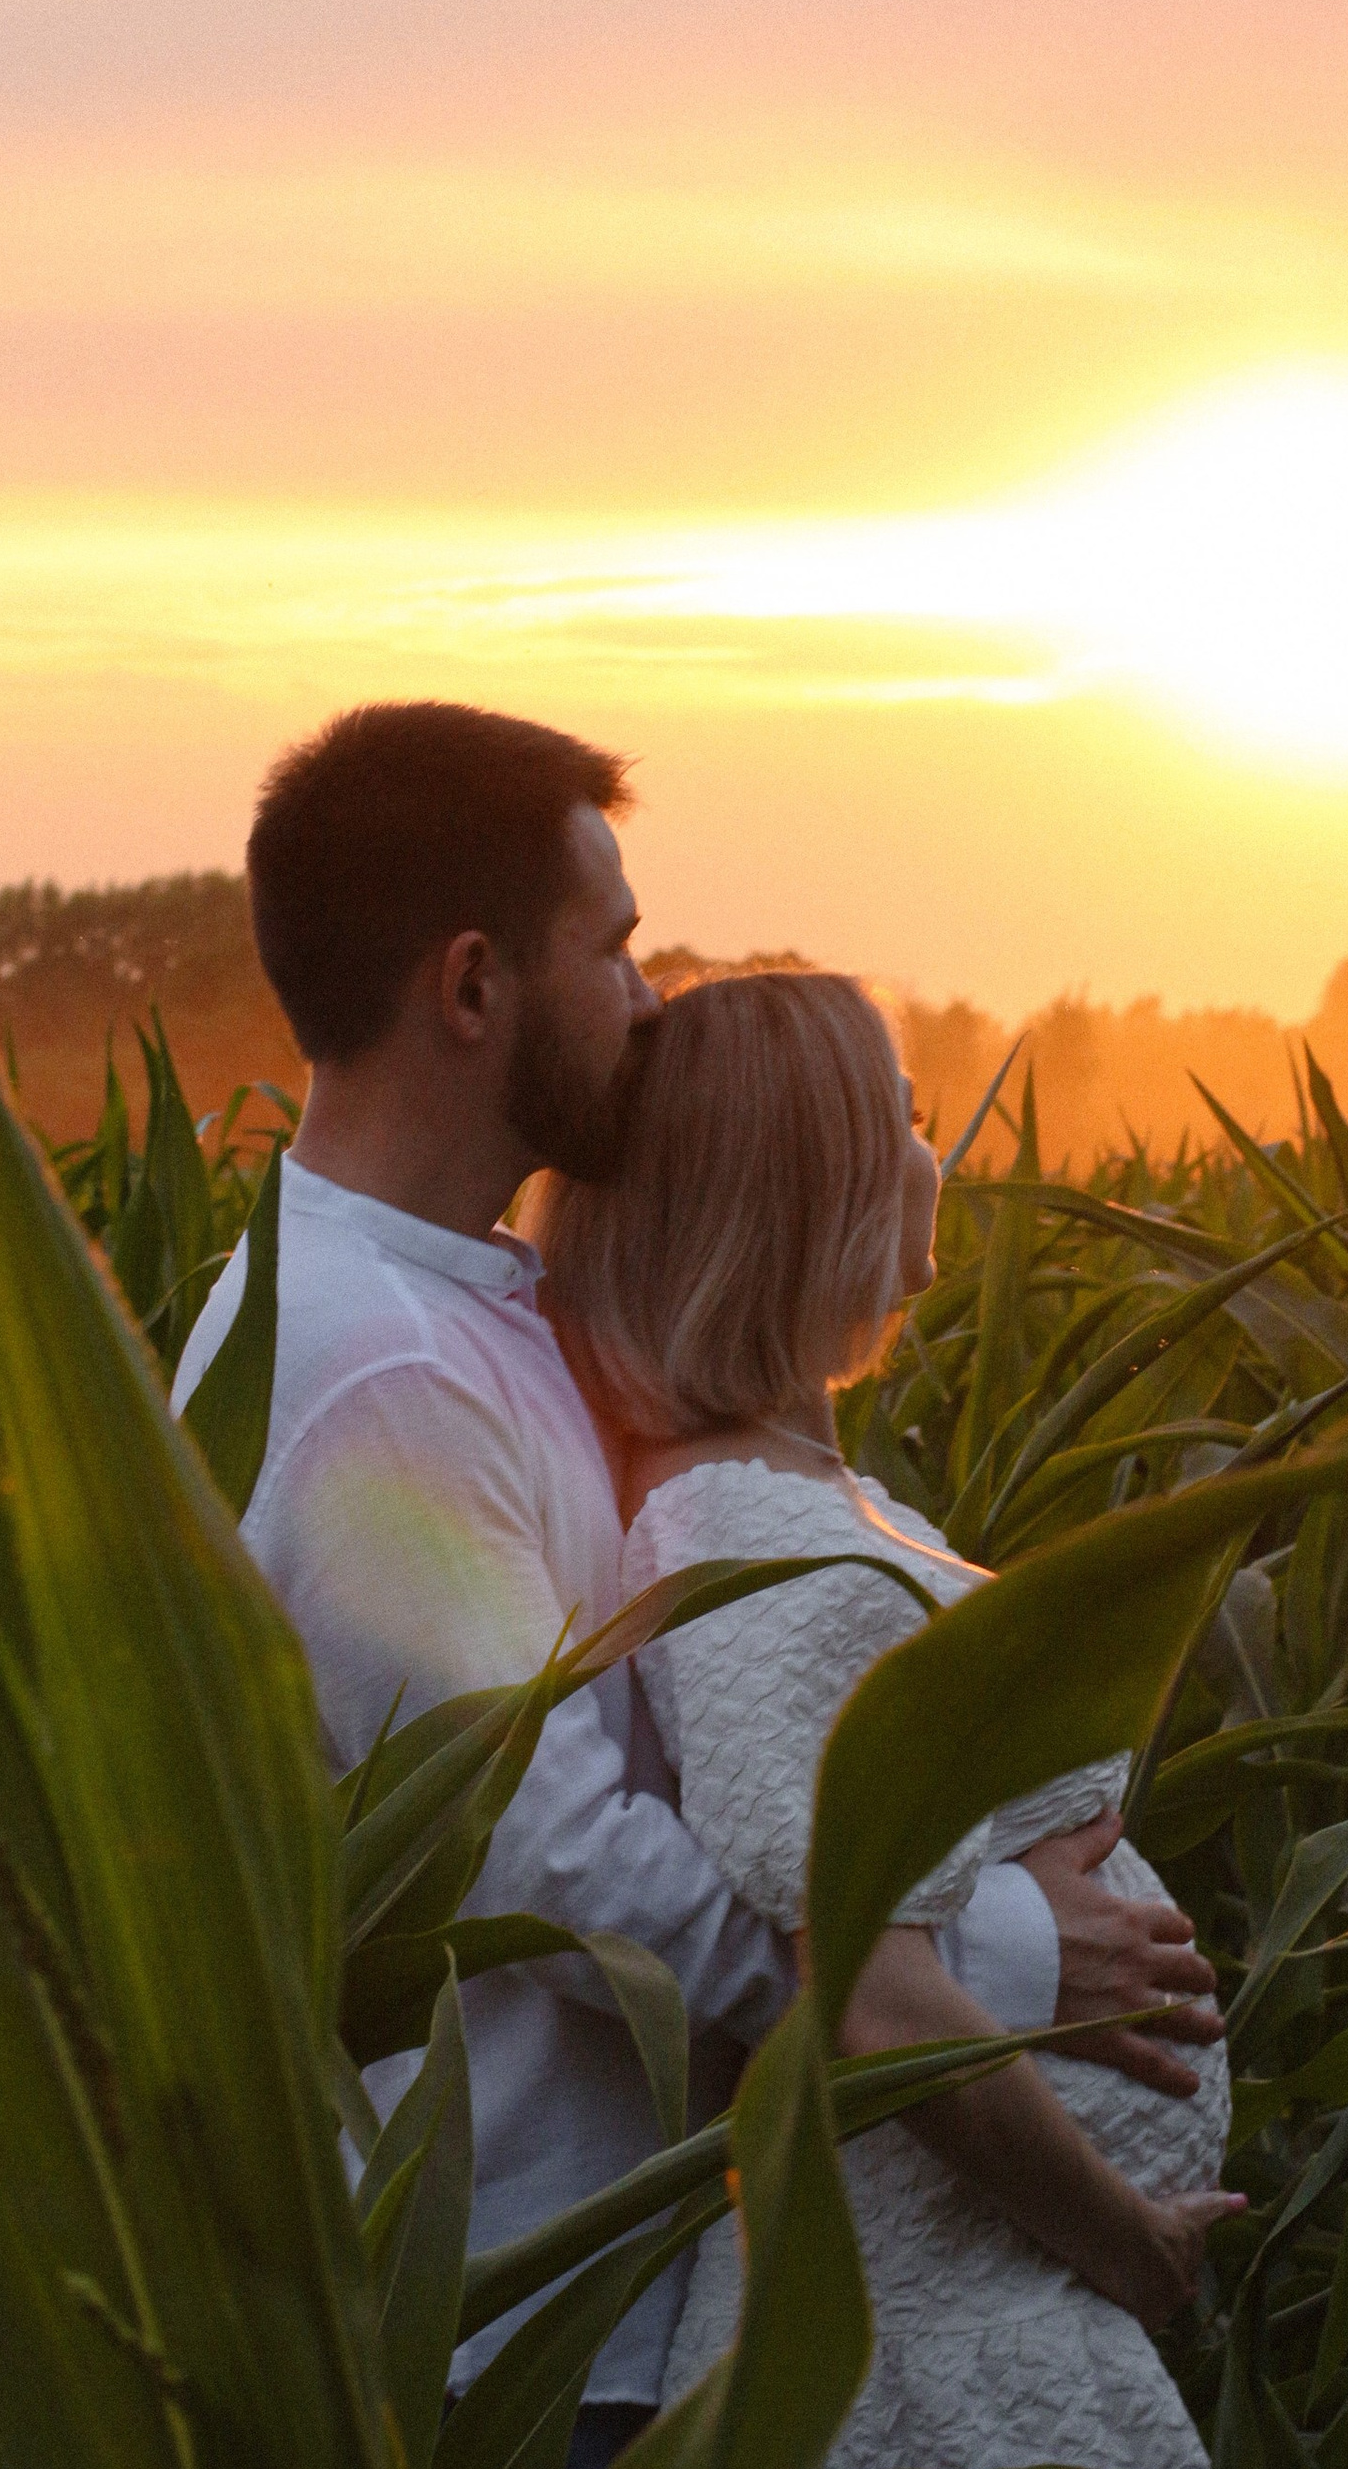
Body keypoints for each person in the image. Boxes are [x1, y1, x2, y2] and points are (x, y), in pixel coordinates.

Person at [172, 702, 1225, 2466]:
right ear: (473, 986)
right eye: (617, 951)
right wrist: (1000, 1952)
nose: (649, 1000)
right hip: (527, 2342)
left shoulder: (466, 1305)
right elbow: (556, 1858)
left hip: (635, 2304)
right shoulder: (371, 1374)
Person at [528, 969, 1238, 2467]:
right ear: (810, 1191)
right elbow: (865, 1987)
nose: (935, 1154)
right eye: (906, 1119)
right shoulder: (742, 1533)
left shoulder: (796, 1493)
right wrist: (1128, 2242)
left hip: (974, 2314)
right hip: (927, 2357)